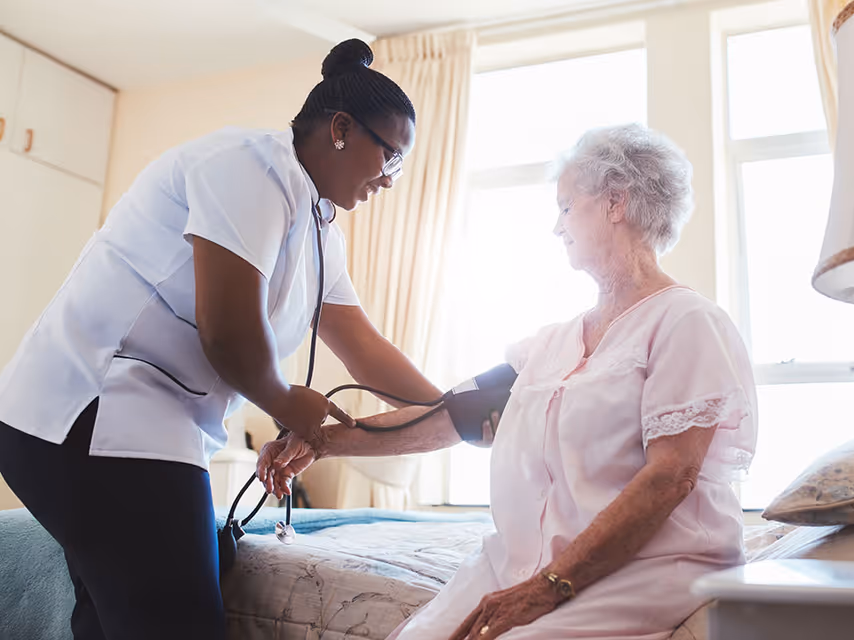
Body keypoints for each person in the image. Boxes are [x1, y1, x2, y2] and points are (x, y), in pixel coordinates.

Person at [0, 39, 443, 640]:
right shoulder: (249, 167)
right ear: (341, 128)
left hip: (148, 428)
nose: (391, 179)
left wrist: (451, 407)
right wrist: (289, 406)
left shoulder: (319, 228)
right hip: (92, 415)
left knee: (131, 610)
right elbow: (229, 336)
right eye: (391, 155)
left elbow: (364, 347)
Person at [260, 123, 758, 640]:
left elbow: (670, 477)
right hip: (525, 562)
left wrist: (547, 587)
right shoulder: (551, 344)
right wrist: (320, 443)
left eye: (566, 207)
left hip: (646, 567)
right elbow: (449, 417)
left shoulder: (685, 321)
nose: (557, 227)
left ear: (616, 203)